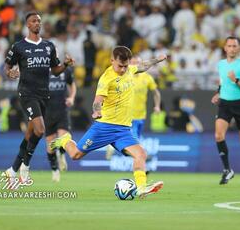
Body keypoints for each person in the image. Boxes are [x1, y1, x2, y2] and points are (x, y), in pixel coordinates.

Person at [51, 46, 166, 198]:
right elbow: (98, 100)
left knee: (141, 154)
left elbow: (142, 66)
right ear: (112, 61)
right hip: (104, 127)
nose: (123, 69)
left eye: (126, 66)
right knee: (75, 155)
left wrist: (157, 59)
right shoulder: (107, 78)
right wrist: (97, 110)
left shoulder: (130, 70)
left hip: (124, 130)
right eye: (120, 66)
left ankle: (141, 187)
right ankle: (65, 140)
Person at [2, 12, 75, 182]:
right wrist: (10, 73)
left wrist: (65, 64)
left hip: (44, 94)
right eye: (34, 21)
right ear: (27, 25)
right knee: (40, 130)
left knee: (31, 133)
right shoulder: (19, 46)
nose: (37, 24)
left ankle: (13, 169)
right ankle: (26, 165)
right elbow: (7, 67)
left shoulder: (49, 46)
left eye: (39, 21)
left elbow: (55, 70)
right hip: (27, 93)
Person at [211, 36, 240, 186]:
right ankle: (227, 170)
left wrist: (236, 80)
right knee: (218, 136)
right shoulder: (221, 64)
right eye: (229, 46)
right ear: (225, 48)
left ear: (238, 48)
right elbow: (223, 81)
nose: (232, 48)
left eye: (234, 46)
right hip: (224, 103)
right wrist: (219, 92)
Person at [44, 68, 76, 182]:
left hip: (62, 111)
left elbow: (72, 85)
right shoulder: (41, 71)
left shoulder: (65, 71)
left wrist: (71, 97)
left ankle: (62, 154)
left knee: (64, 137)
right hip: (47, 113)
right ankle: (55, 170)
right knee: (51, 145)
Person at [130, 56, 161, 140]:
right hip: (128, 117)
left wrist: (157, 106)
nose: (135, 65)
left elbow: (156, 93)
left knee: (137, 139)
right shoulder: (125, 77)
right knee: (134, 140)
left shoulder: (147, 77)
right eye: (133, 63)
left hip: (141, 115)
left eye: (137, 63)